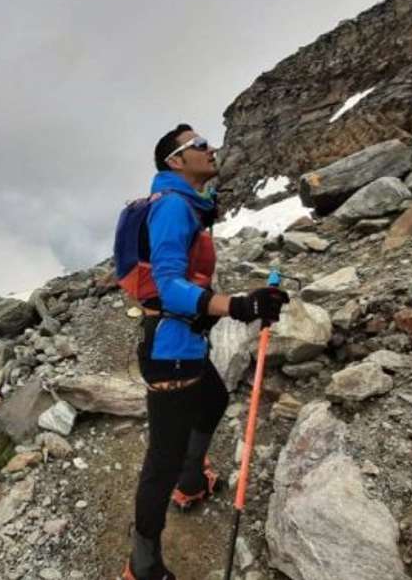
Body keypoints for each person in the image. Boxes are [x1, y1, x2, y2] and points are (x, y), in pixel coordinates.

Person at [123, 124, 290, 580]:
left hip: (183, 341)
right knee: (162, 457)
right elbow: (170, 286)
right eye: (198, 145)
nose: (210, 148)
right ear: (176, 162)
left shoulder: (187, 206)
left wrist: (229, 304)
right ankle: (143, 563)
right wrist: (238, 306)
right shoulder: (175, 208)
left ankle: (192, 481)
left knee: (214, 399)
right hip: (170, 349)